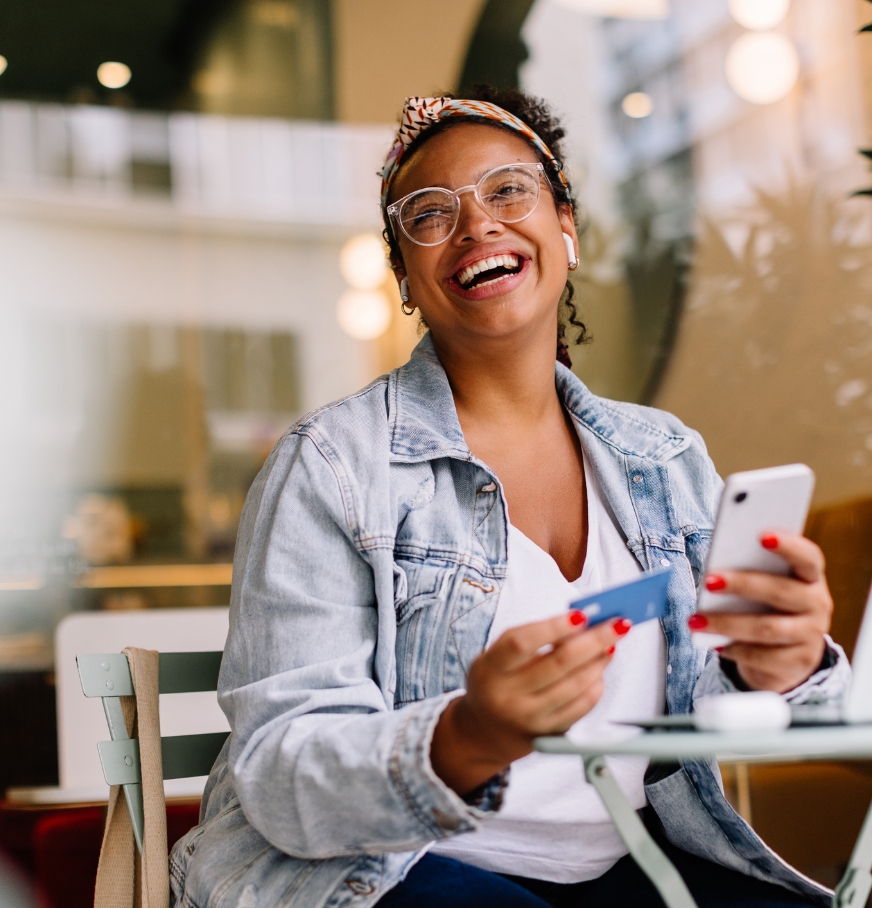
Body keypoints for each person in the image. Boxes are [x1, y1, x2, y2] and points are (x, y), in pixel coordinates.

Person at [170, 87, 847, 908]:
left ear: (566, 225)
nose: (476, 225)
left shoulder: (664, 457)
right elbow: (283, 772)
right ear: (406, 279)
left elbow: (712, 709)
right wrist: (467, 736)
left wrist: (781, 667)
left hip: (627, 859)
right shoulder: (330, 467)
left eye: (508, 191)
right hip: (382, 870)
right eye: (428, 213)